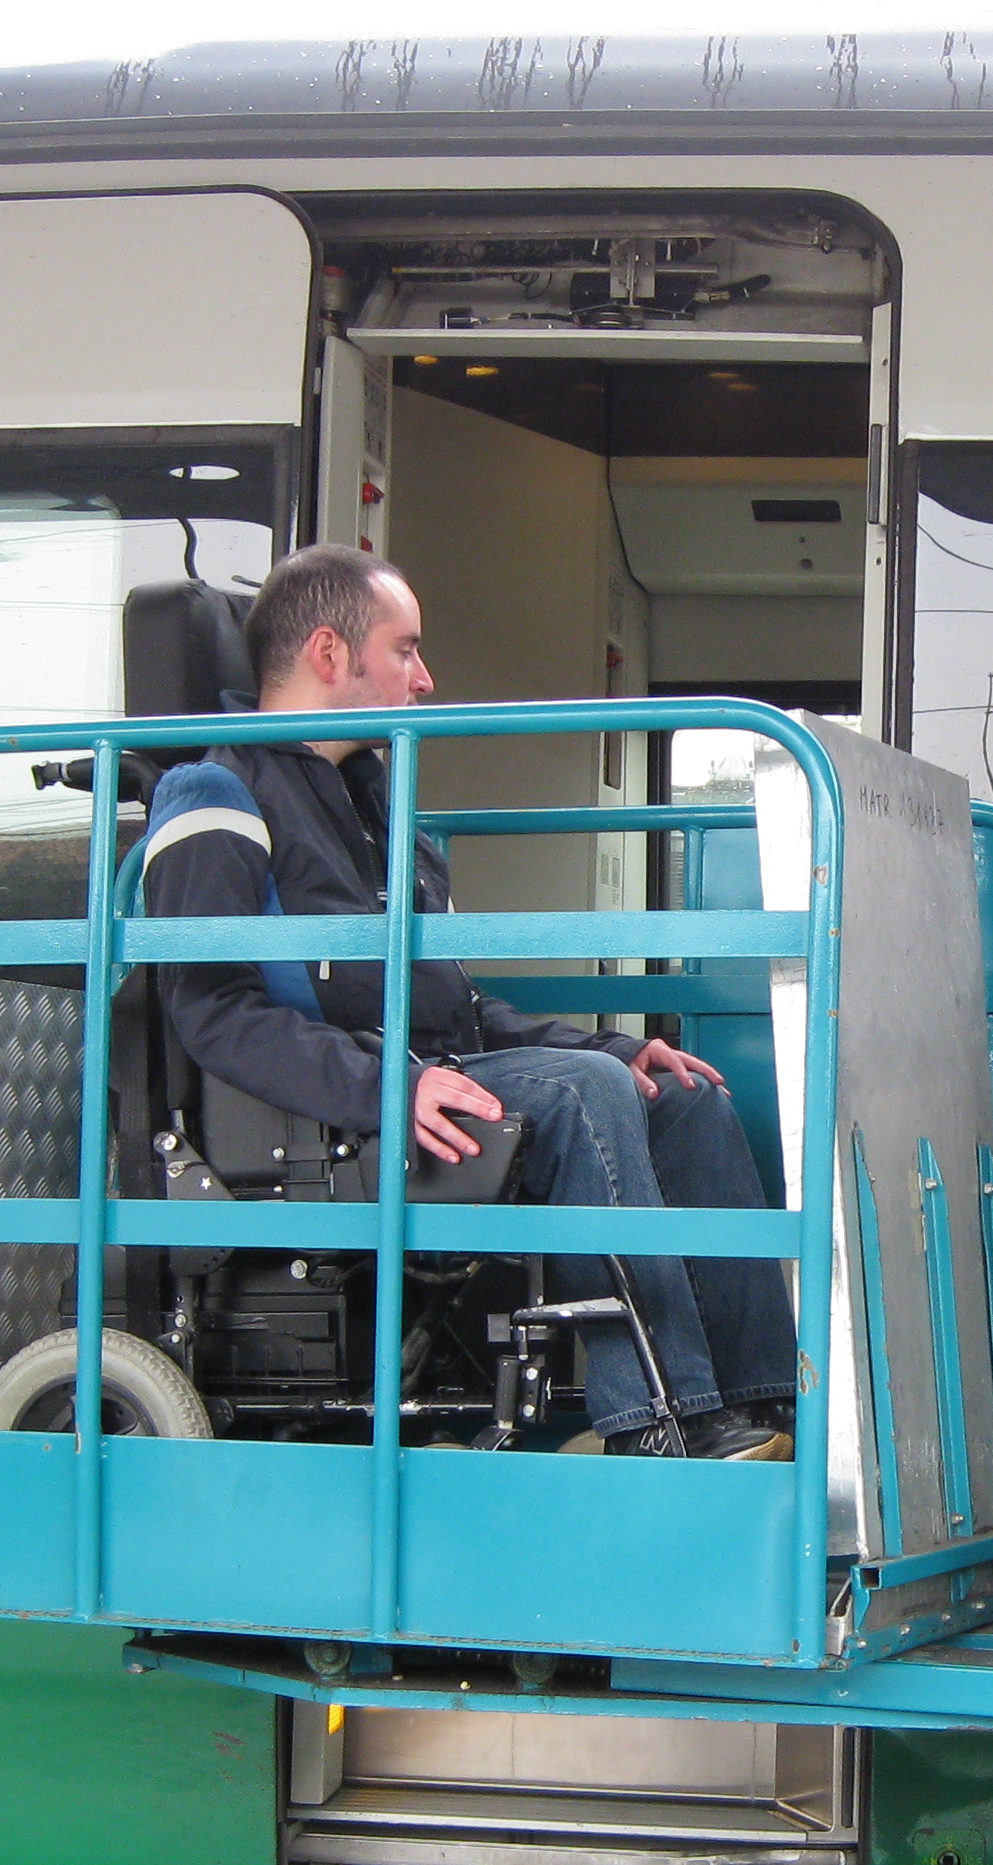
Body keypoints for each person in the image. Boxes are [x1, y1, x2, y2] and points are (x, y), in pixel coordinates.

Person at [138, 543, 796, 1461]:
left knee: (677, 1093)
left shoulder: (384, 814)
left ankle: (767, 1408)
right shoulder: (214, 793)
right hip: (337, 1111)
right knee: (580, 1095)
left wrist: (607, 1044)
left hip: (432, 1067)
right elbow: (212, 1013)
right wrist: (386, 1087)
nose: (425, 676)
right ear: (331, 655)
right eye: (404, 649)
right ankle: (664, 1425)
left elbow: (456, 1007)